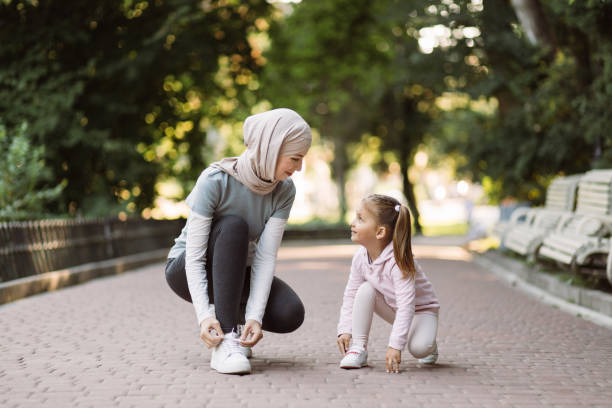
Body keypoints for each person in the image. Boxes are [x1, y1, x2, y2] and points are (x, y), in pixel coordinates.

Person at [165, 108, 312, 375]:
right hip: (185, 270)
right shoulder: (215, 180)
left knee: (290, 312)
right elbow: (195, 256)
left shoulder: (284, 192)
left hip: (236, 270)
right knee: (233, 226)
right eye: (295, 158)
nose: (299, 168)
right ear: (272, 148)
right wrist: (204, 318)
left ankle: (237, 328)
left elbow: (265, 257)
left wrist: (255, 316)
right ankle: (225, 342)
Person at [336, 194, 440, 373]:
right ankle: (358, 348)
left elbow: (407, 305)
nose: (353, 223)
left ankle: (428, 343)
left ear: (380, 232)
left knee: (419, 349)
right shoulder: (360, 257)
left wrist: (395, 346)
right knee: (364, 289)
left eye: (360, 219)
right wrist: (345, 329)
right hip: (394, 308)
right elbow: (351, 294)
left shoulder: (399, 261)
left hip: (421, 311)